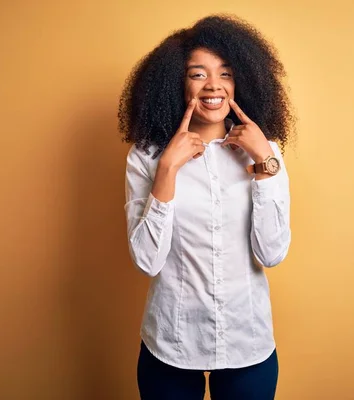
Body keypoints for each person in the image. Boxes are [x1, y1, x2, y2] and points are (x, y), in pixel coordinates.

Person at [118, 13, 295, 400]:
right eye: (198, 74)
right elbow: (147, 261)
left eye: (225, 73)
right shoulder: (147, 157)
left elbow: (273, 252)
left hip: (247, 341)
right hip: (171, 342)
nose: (213, 85)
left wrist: (264, 164)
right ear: (175, 84)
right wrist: (168, 169)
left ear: (241, 81)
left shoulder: (268, 151)